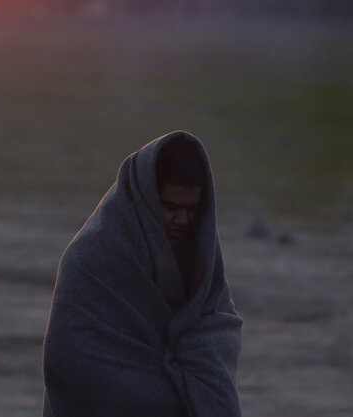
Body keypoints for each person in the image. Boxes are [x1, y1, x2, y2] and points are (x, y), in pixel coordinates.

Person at [42, 131, 243, 417]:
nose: (183, 220)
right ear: (145, 199)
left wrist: (194, 379)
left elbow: (217, 330)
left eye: (192, 209)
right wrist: (172, 394)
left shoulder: (199, 257)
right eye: (171, 207)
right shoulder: (90, 260)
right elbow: (72, 363)